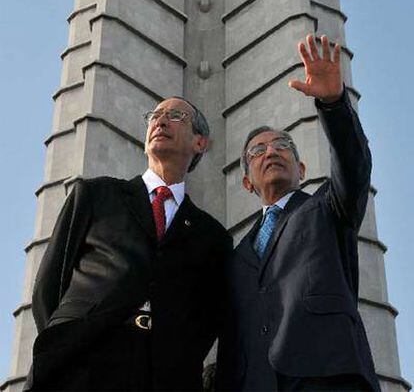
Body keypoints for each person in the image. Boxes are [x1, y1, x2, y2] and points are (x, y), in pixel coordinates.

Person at [24, 97, 232, 392]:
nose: (160, 121)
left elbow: (207, 322)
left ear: (200, 143)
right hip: (78, 369)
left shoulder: (213, 237)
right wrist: (66, 343)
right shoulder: (96, 195)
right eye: (155, 116)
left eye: (175, 116)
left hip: (161, 378)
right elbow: (49, 285)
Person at [216, 35, 380, 392]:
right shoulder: (236, 258)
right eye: (257, 151)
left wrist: (334, 103)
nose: (272, 151)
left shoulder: (328, 207)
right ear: (246, 183)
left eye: (283, 145)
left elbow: (353, 165)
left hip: (329, 378)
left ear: (301, 169)